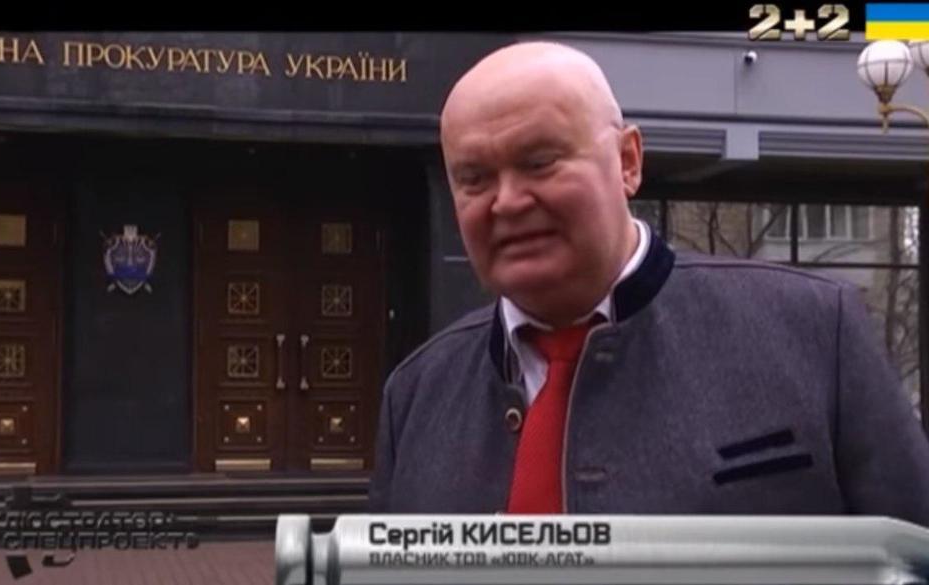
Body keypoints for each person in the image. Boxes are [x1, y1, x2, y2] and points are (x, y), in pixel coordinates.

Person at [367, 41, 929, 524]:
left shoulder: (813, 333)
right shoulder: (416, 396)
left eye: (539, 162)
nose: (507, 202)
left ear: (628, 162)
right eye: (475, 178)